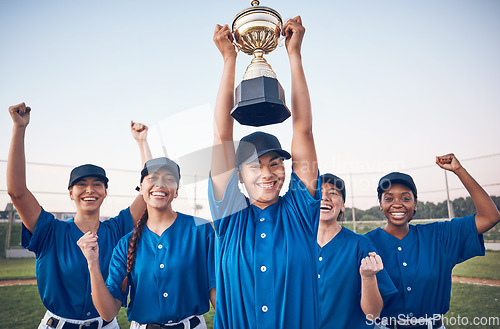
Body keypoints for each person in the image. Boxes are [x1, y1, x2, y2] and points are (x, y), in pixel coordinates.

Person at [209, 17, 321, 329]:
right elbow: (221, 138)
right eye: (254, 165)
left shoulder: (300, 212)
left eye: (275, 162)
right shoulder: (229, 215)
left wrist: (294, 56)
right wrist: (229, 59)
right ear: (238, 175)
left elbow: (304, 129)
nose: (267, 173)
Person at [7, 102, 151, 329]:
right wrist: (19, 128)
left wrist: (142, 142)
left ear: (105, 192)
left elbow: (148, 193)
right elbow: (17, 192)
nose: (90, 189)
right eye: (81, 185)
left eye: (97, 184)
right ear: (71, 193)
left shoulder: (116, 229)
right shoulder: (50, 231)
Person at [78, 157, 216, 329]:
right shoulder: (126, 244)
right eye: (152, 178)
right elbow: (108, 312)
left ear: (177, 191)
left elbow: (215, 290)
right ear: (141, 188)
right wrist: (92, 263)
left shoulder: (200, 230)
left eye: (169, 179)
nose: (160, 184)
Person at [365, 154, 500, 329]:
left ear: (415, 204)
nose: (397, 203)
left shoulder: (439, 235)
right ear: (380, 204)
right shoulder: (366, 243)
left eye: (406, 198)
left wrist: (459, 171)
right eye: (389, 198)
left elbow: (490, 216)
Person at [317, 173, 397, 329]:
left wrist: (368, 277)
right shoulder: (295, 245)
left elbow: (373, 314)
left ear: (343, 205)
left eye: (333, 193)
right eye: (318, 193)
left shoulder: (360, 245)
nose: (325, 197)